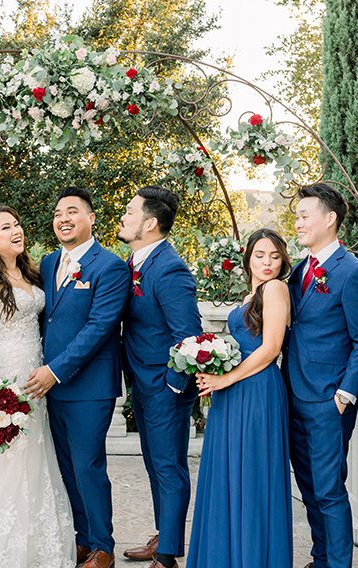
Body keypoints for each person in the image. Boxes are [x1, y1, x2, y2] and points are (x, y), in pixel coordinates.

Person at [0, 203, 75, 568]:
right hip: (5, 378)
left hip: (36, 376)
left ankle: (38, 548)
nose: (16, 231)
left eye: (17, 225)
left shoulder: (31, 273)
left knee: (36, 455)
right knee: (5, 463)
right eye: (6, 228)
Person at [25, 186, 129, 568]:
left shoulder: (111, 266)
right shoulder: (49, 263)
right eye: (57, 213)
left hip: (87, 386)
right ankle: (83, 538)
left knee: (88, 465)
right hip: (48, 387)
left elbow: (100, 326)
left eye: (72, 211)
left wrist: (55, 370)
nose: (63, 219)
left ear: (91, 218)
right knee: (67, 466)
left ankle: (104, 546)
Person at [187, 228, 294, 568]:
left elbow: (272, 347)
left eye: (275, 257)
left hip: (258, 391)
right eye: (260, 255)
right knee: (228, 475)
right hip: (233, 392)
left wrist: (226, 378)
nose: (267, 263)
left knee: (251, 478)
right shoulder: (252, 295)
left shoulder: (276, 289)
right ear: (248, 257)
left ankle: (251, 558)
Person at [284, 184, 358, 568]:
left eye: (305, 215)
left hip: (327, 401)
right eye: (297, 216)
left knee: (328, 490)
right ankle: (320, 558)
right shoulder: (299, 270)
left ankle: (338, 564)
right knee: (308, 488)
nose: (298, 222)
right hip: (292, 395)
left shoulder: (352, 273)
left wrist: (345, 394)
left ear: (330, 219)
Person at [118, 186, 202, 568]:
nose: (123, 216)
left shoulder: (170, 268)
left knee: (168, 468)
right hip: (142, 383)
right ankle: (162, 534)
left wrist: (171, 384)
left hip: (165, 388)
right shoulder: (136, 262)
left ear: (150, 224)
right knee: (155, 466)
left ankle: (167, 556)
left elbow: (188, 336)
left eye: (131, 212)